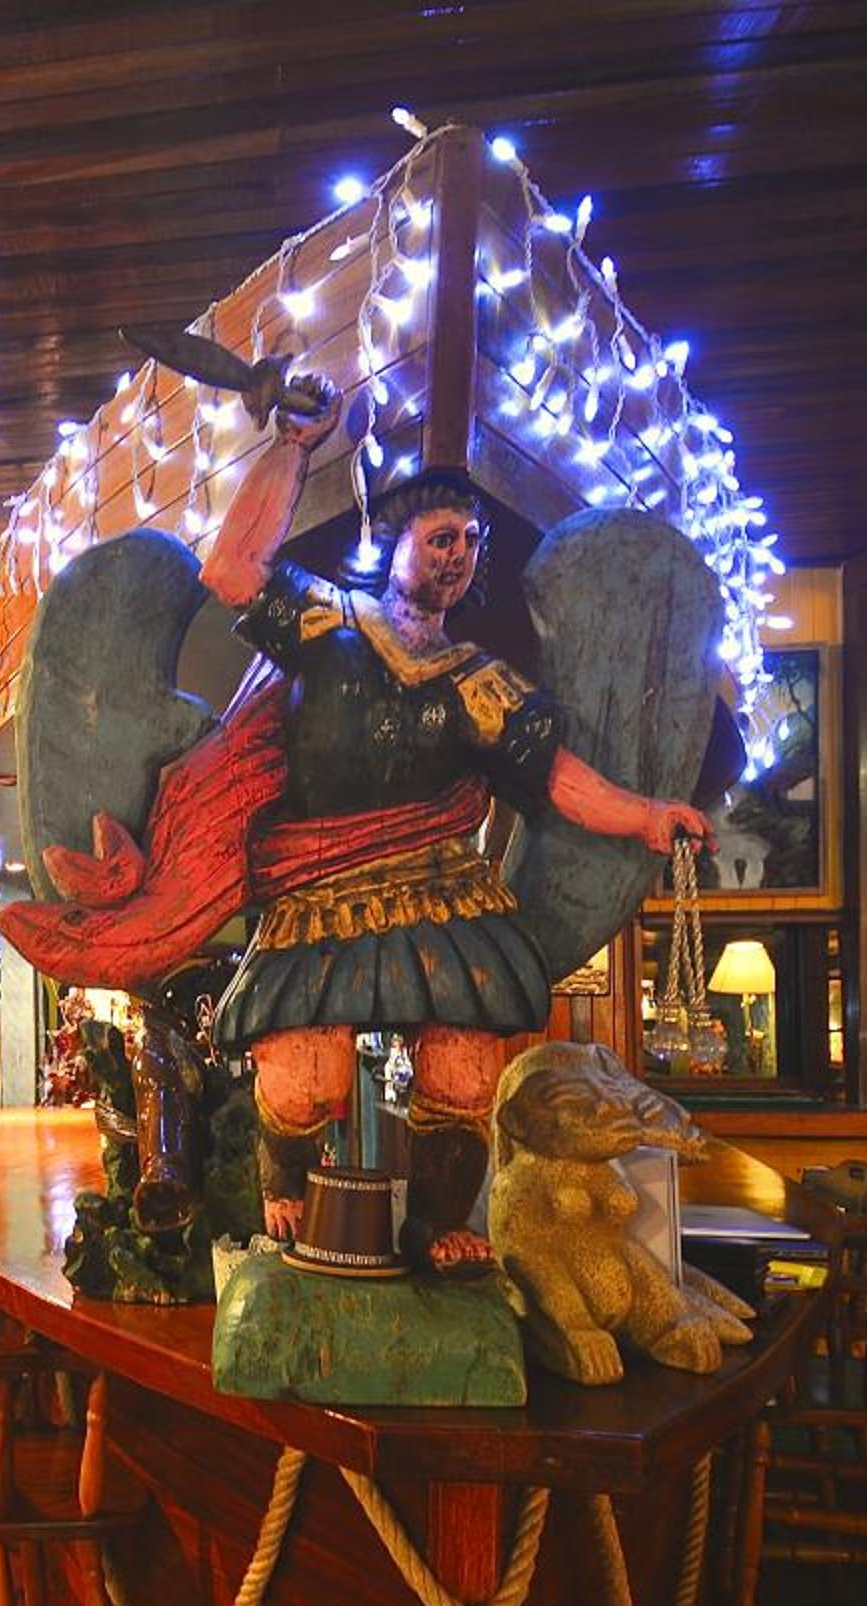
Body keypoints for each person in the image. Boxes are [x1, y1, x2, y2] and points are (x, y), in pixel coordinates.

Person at [194, 384, 710, 1270]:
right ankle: (285, 1192)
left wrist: (647, 815)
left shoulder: (478, 679)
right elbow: (231, 567)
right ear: (395, 544)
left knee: (465, 1071)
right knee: (308, 1073)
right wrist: (292, 447)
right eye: (442, 539)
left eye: (471, 542)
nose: (459, 556)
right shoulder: (326, 621)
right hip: (321, 889)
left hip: (442, 890)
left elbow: (558, 778)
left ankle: (439, 1226)